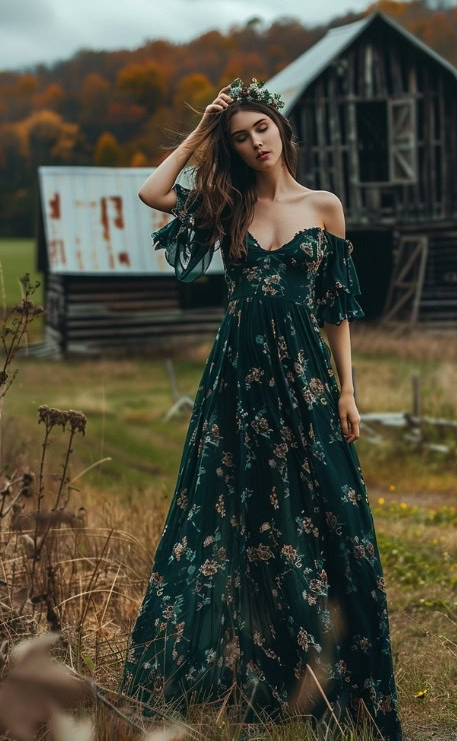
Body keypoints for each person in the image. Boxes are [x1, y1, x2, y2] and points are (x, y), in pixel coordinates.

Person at [119, 78, 403, 740]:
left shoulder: (325, 208)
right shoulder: (225, 204)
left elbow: (337, 309)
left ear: (281, 129)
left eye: (261, 129)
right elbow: (153, 193)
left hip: (305, 383)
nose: (254, 143)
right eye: (241, 136)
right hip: (238, 388)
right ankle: (260, 675)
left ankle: (339, 676)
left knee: (331, 514)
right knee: (244, 520)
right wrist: (201, 131)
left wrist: (348, 390)